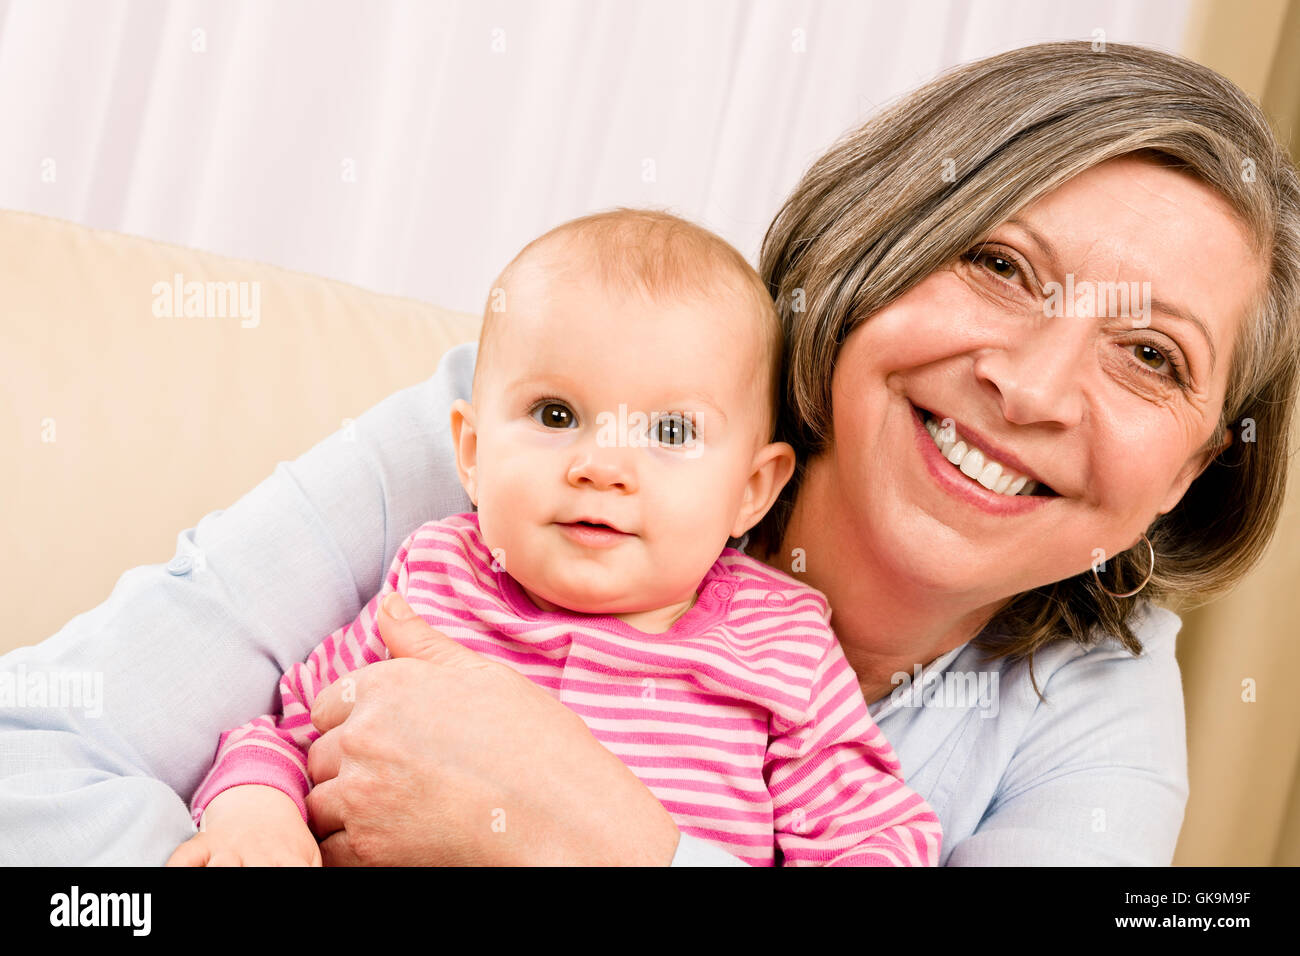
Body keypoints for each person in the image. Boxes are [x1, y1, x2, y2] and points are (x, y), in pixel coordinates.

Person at [3, 41, 1298, 866]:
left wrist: (611, 843)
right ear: (870, 250)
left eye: (1154, 359)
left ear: (1193, 477)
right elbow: (31, 769)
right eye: (1000, 265)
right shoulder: (523, 451)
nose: (1030, 383)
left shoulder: (1096, 705)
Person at [165, 209, 942, 867]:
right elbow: (287, 726)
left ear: (751, 490)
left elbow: (878, 839)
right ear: (472, 452)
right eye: (556, 415)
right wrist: (255, 813)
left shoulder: (782, 647)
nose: (601, 466)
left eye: (670, 430)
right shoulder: (437, 583)